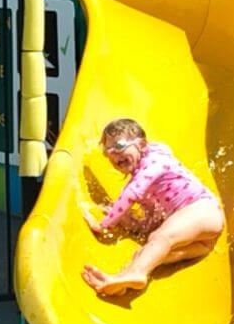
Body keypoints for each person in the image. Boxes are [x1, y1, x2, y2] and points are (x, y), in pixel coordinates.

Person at [81, 119, 224, 296]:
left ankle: (137, 273)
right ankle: (120, 282)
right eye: (107, 151)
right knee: (147, 252)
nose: (114, 154)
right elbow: (147, 225)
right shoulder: (149, 171)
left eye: (119, 145)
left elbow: (131, 194)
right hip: (201, 242)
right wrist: (127, 221)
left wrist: (104, 224)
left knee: (159, 237)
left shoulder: (153, 163)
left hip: (202, 210)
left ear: (141, 144)